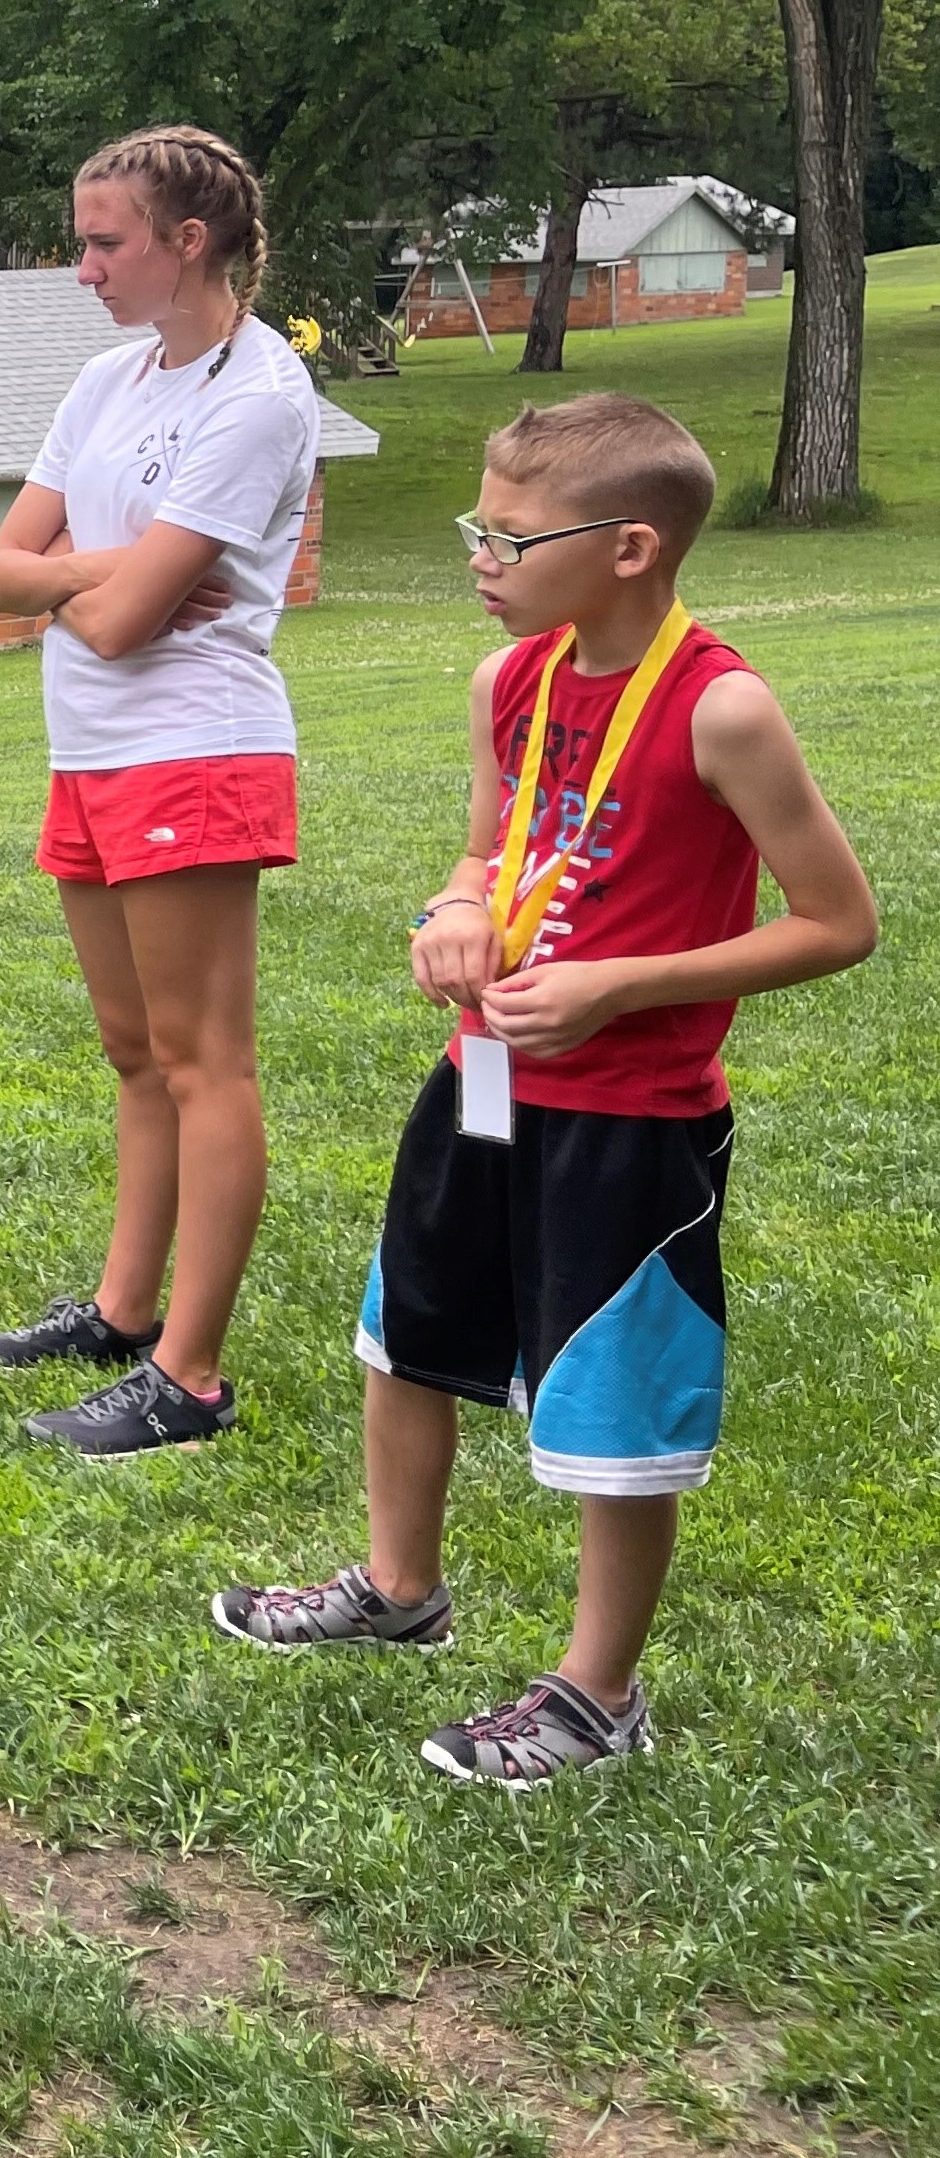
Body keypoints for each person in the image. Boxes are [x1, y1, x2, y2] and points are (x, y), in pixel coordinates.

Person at [214, 395, 873, 1784]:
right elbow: (481, 853)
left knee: (612, 1401)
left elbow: (835, 923)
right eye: (480, 526)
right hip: (483, 1084)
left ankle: (597, 1693)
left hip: (634, 1125)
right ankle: (399, 1591)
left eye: (508, 534)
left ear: (630, 546)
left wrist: (617, 985)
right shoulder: (507, 682)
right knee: (408, 1339)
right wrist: (452, 917)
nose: (478, 555)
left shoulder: (725, 707)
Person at [0, 125, 323, 1457]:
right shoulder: (110, 379)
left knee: (202, 1059)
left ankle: (193, 1373)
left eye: (105, 242)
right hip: (92, 752)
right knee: (133, 1054)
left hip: (196, 745)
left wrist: (84, 588)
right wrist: (97, 575)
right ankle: (122, 1314)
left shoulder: (261, 395)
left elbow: (119, 626)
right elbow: (5, 570)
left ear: (190, 244)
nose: (83, 268)